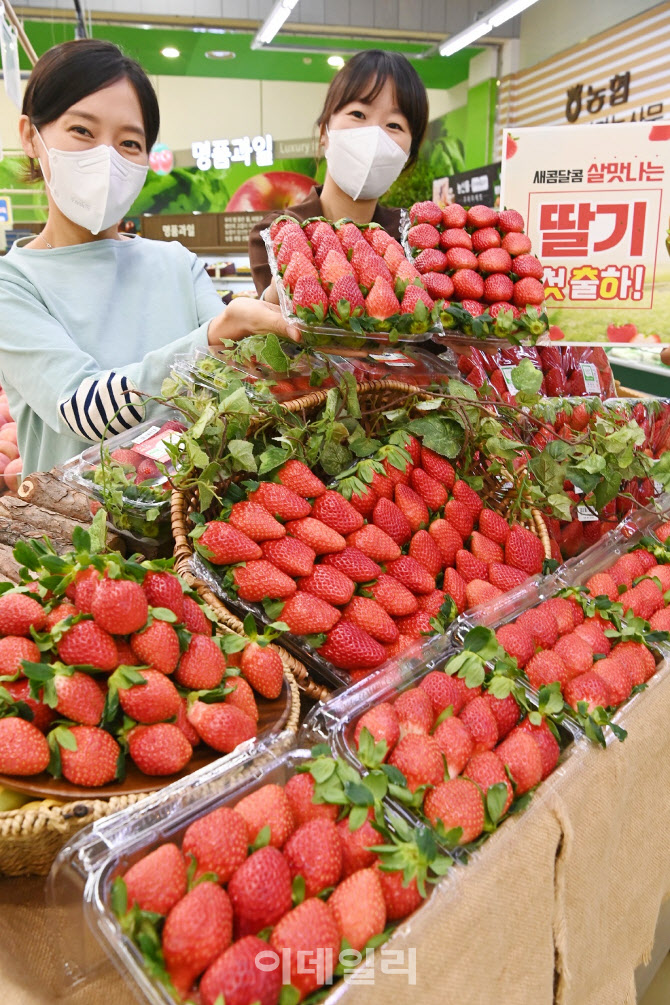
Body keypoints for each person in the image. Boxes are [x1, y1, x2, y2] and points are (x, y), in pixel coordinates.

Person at [0, 39, 299, 477]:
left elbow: (228, 382)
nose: (106, 157)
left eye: (129, 142)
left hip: (189, 525)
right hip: (76, 536)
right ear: (31, 136)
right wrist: (214, 336)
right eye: (82, 131)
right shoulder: (14, 284)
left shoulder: (177, 263)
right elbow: (83, 413)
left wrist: (278, 307)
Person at [249, 49, 429, 299]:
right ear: (324, 131)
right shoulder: (277, 232)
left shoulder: (416, 240)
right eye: (358, 114)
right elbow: (286, 329)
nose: (374, 136)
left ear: (408, 154)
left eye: (394, 125)